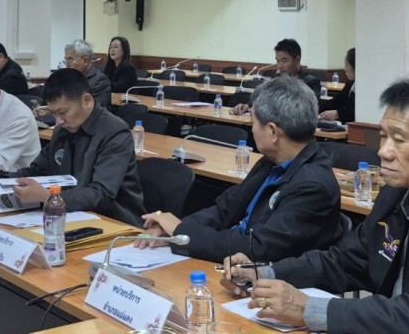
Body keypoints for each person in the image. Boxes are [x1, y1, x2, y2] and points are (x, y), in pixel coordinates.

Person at [220, 73, 409, 334]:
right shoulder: (395, 194)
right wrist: (264, 273)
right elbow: (345, 261)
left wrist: (308, 310)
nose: (383, 151)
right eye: (383, 136)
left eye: (399, 140)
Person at [138, 77, 341, 262]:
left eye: (253, 122)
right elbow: (223, 209)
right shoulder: (270, 162)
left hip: (261, 276)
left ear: (272, 131)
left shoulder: (313, 186)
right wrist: (174, 230)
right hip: (230, 259)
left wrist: (182, 233)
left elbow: (257, 248)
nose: (252, 129)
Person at [0, 68, 145, 226]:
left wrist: (48, 197)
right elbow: (38, 170)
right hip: (70, 214)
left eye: (63, 113)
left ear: (87, 101)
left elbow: (101, 194)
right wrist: (2, 181)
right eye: (54, 113)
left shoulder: (114, 132)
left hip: (114, 221)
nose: (58, 121)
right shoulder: (63, 130)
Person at [232, 38, 321, 114]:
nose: (280, 66)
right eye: (278, 61)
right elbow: (264, 97)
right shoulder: (277, 79)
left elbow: (307, 111)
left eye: (284, 61)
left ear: (297, 60)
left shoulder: (311, 82)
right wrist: (248, 105)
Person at [64, 39, 111, 107]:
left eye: (70, 59)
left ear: (85, 60)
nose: (67, 64)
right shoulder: (69, 78)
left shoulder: (100, 81)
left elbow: (92, 108)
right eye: (66, 59)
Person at [319, 47, 355, 123]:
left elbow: (353, 112)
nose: (344, 69)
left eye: (346, 65)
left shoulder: (363, 87)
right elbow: (337, 101)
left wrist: (338, 114)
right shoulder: (350, 83)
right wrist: (315, 107)